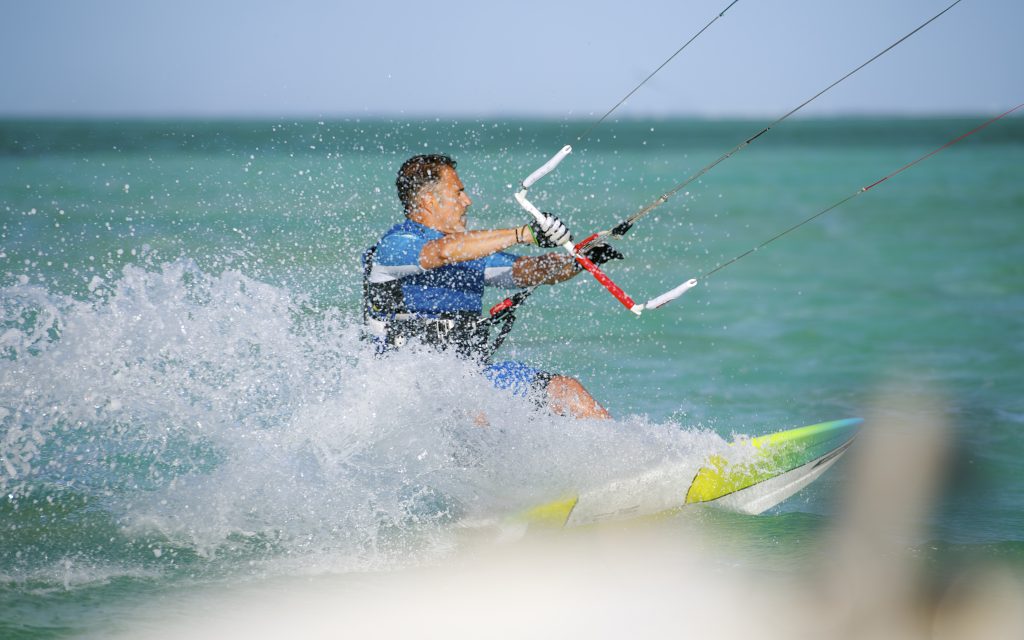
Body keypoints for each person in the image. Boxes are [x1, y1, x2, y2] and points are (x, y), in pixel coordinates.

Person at [363, 154, 617, 419]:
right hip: (411, 387)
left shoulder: (470, 253)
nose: (467, 201)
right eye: (458, 193)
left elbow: (526, 271)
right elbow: (441, 253)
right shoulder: (394, 246)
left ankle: (635, 457)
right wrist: (525, 234)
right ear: (428, 201)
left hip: (470, 378)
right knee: (475, 413)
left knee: (566, 391)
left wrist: (582, 260)